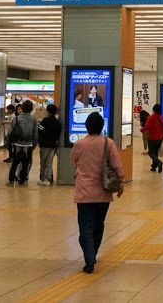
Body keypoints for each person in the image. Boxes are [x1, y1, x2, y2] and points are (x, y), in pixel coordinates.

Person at [70, 112, 125, 273]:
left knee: (85, 226)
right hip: (103, 192)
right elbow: (118, 166)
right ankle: (93, 252)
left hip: (84, 192)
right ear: (102, 127)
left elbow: (74, 161)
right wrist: (120, 184)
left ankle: (89, 258)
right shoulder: (108, 143)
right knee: (98, 224)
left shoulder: (79, 144)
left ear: (86, 126)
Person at [7, 99, 38, 186]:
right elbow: (35, 133)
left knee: (15, 163)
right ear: (31, 109)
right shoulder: (34, 120)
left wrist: (8, 141)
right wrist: (34, 143)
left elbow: (10, 131)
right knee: (25, 163)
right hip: (28, 144)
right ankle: (22, 180)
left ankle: (11, 180)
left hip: (17, 144)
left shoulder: (17, 118)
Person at [38, 104, 61, 186]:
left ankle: (43, 178)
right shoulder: (58, 122)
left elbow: (40, 130)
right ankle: (48, 179)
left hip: (44, 144)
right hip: (53, 145)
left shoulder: (45, 120)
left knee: (43, 162)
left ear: (47, 111)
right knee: (49, 162)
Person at [141, 103, 163, 173]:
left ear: (153, 110)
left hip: (152, 138)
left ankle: (158, 162)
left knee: (151, 152)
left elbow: (147, 126)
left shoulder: (151, 117)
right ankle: (154, 167)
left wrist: (142, 130)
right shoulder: (162, 118)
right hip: (160, 138)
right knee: (155, 152)